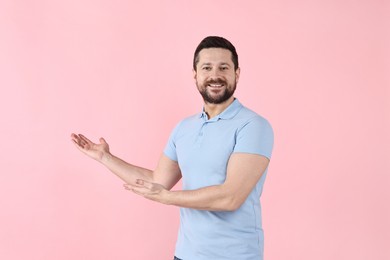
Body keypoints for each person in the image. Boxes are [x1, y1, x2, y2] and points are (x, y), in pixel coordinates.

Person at [71, 36, 274, 260]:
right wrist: (105, 158)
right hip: (185, 255)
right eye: (207, 67)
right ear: (195, 75)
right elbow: (158, 182)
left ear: (236, 73)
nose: (215, 75)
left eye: (223, 67)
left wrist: (167, 197)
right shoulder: (184, 128)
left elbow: (230, 197)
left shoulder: (253, 126)